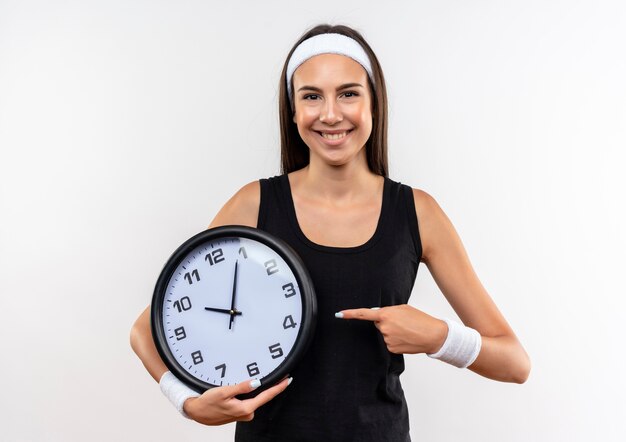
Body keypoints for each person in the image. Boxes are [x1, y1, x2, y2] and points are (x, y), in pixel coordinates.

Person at [130, 24, 531, 441]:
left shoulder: (417, 212)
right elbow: (146, 330)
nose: (330, 114)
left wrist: (438, 336)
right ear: (293, 110)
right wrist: (188, 402)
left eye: (348, 93)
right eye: (311, 96)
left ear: (374, 103)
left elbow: (514, 361)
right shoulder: (255, 204)